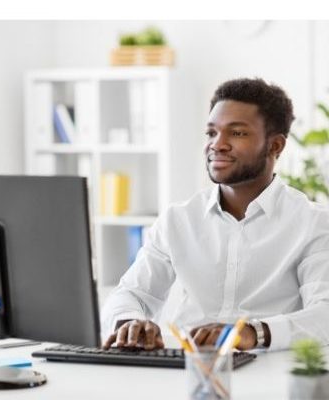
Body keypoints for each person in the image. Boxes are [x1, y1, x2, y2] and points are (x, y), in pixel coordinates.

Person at [101, 77, 329, 352]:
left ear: (275, 146)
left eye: (238, 133)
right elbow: (131, 293)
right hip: (183, 371)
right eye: (211, 133)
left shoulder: (313, 223)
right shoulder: (178, 220)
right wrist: (130, 321)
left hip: (268, 376)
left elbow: (323, 315)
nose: (217, 145)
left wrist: (252, 333)